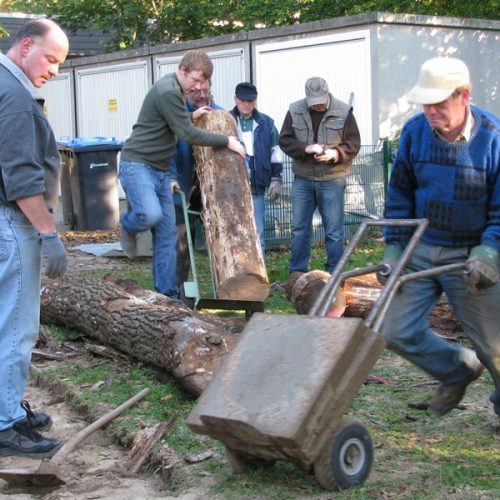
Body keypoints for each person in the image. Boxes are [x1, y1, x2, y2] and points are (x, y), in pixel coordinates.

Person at [380, 57, 500, 424]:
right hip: (421, 247)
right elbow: (399, 193)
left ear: (464, 96)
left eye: (439, 103)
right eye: (425, 103)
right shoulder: (414, 133)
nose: (430, 111)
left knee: (494, 348)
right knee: (394, 330)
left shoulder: (493, 138)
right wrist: (394, 245)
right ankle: (457, 369)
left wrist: (490, 251)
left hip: (470, 254)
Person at [118, 49, 245, 299]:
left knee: (167, 238)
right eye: (195, 80)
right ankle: (128, 225)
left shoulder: (175, 91)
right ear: (182, 70)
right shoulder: (168, 90)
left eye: (203, 82)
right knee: (150, 214)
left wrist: (190, 115)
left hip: (161, 171)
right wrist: (225, 141)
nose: (197, 86)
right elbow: (187, 134)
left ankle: (166, 296)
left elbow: (172, 121)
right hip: (138, 165)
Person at [0, 18, 69, 458]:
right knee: (17, 327)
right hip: (13, 222)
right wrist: (48, 233)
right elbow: (22, 177)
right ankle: (6, 425)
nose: (55, 70)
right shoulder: (16, 98)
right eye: (51, 58)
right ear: (25, 46)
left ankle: (4, 408)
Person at [279, 77, 361, 275]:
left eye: (321, 101)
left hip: (332, 179)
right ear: (306, 98)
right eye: (313, 102)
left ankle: (335, 273)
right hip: (303, 179)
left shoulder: (343, 111)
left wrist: (335, 153)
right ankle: (297, 272)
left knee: (334, 231)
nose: (318, 105)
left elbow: (354, 143)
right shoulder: (294, 110)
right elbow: (284, 140)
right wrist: (305, 148)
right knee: (299, 229)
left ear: (328, 94)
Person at [170, 79, 223, 289]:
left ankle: (228, 287)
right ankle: (180, 288)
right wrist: (172, 177)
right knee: (181, 241)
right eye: (196, 92)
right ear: (187, 91)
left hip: (210, 189)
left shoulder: (220, 115)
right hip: (183, 186)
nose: (201, 95)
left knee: (220, 238)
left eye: (205, 90)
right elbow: (168, 151)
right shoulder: (178, 117)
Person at [229, 82, 283, 254]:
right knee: (234, 232)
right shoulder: (225, 121)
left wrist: (276, 179)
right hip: (231, 190)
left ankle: (260, 276)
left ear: (255, 101)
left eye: (250, 101)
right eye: (242, 100)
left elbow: (276, 153)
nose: (246, 104)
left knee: (258, 232)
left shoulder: (267, 124)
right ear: (235, 99)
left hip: (256, 188)